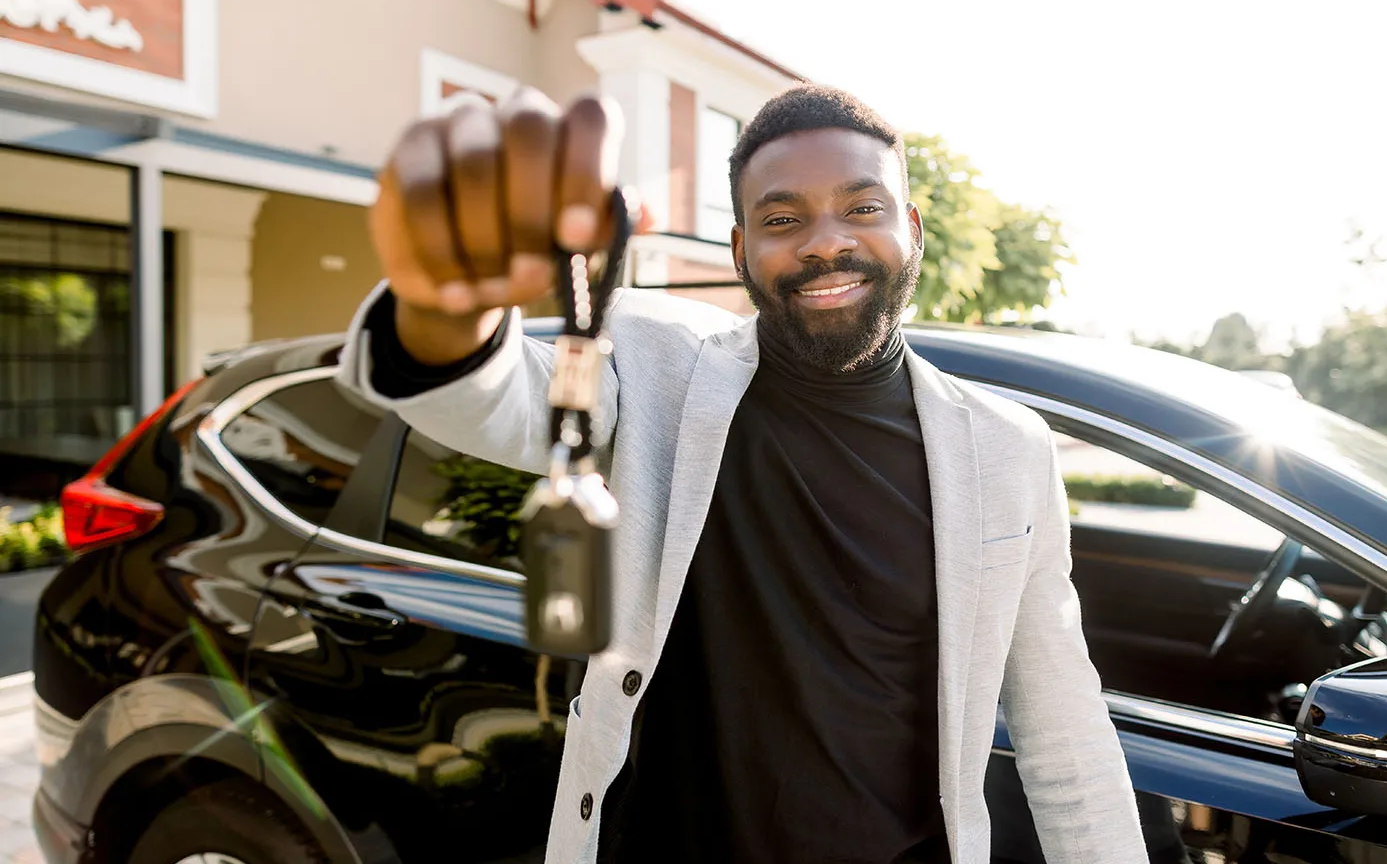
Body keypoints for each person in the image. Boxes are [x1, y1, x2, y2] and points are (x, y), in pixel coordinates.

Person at [338, 81, 1149, 864]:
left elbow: (1063, 732)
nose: (825, 240)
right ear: (740, 249)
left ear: (914, 227)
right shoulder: (658, 369)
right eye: (782, 217)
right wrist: (452, 304)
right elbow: (496, 402)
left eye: (862, 208)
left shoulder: (1009, 449)